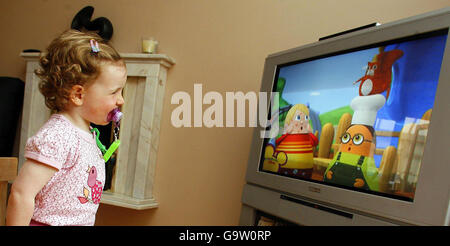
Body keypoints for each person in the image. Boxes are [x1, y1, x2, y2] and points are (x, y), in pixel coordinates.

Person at [6, 29, 127, 226]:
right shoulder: (58, 136)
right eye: (114, 92)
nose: (121, 100)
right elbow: (21, 194)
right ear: (78, 95)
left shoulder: (87, 134)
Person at [275, 104, 318, 179]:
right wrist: (286, 133)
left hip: (305, 172)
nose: (302, 122)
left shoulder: (307, 136)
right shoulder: (288, 133)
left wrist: (310, 133)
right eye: (298, 118)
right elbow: (277, 142)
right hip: (282, 171)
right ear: (290, 120)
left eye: (306, 117)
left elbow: (315, 142)